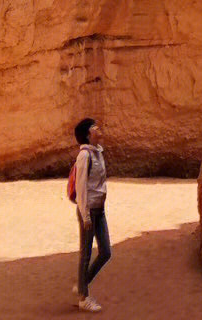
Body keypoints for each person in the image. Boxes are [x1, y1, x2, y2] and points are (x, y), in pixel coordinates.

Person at [72, 116, 110, 312]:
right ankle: (83, 298)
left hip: (100, 210)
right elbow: (81, 188)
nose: (98, 128)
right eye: (94, 127)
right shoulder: (85, 156)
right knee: (85, 254)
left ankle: (82, 283)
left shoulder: (98, 152)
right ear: (88, 134)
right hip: (89, 211)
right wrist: (85, 215)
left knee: (105, 252)